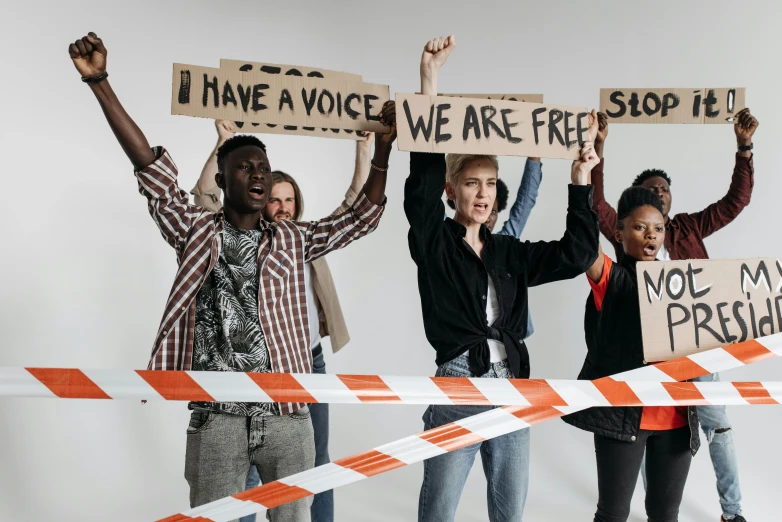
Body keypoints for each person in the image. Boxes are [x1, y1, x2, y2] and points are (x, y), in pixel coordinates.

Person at [67, 32, 396, 522]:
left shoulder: (291, 239)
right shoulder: (195, 231)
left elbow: (360, 217)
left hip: (287, 417)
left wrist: (384, 151)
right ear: (222, 180)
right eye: (244, 167)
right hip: (217, 419)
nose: (258, 174)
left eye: (263, 167)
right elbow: (150, 169)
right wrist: (100, 83)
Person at [407, 35, 600, 522]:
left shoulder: (508, 251)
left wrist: (580, 179)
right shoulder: (434, 244)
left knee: (510, 515)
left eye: (491, 183)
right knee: (438, 515)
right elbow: (421, 193)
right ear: (453, 189)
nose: (484, 193)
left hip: (513, 388)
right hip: (457, 388)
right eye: (472, 182)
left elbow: (578, 253)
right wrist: (430, 81)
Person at [192, 120, 376, 522]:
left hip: (309, 363)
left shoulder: (302, 242)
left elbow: (354, 210)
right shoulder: (226, 238)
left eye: (290, 199)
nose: (282, 206)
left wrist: (367, 152)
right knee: (251, 468)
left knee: (316, 459)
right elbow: (203, 197)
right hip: (249, 375)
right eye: (275, 198)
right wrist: (223, 144)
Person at [591, 109, 759, 522]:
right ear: (627, 225)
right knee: (646, 442)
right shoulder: (627, 240)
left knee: (717, 425)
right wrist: (598, 151)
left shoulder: (688, 228)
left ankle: (732, 511)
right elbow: (595, 206)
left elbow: (735, 201)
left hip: (695, 355)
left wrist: (744, 150)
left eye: (663, 190)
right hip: (641, 361)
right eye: (649, 191)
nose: (658, 195)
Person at [564, 186, 701, 522]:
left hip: (678, 419)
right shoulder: (613, 280)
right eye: (639, 227)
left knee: (665, 513)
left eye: (658, 228)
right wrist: (580, 181)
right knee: (613, 514)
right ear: (619, 232)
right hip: (622, 416)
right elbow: (582, 246)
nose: (650, 235)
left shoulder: (683, 285)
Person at [446, 159, 543, 337]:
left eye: (493, 211)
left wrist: (534, 158)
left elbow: (525, 201)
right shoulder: (448, 241)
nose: (488, 217)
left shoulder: (506, 243)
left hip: (508, 347)